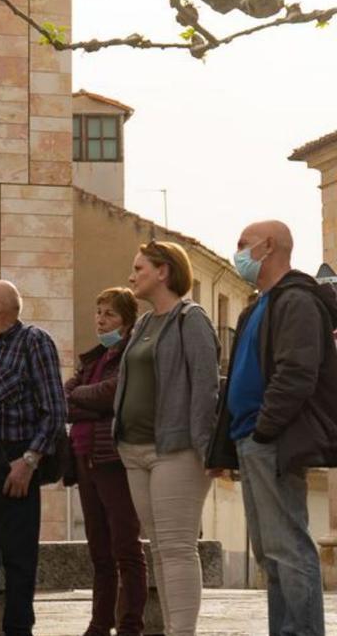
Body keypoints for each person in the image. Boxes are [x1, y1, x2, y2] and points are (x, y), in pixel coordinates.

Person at [208, 221, 334, 636]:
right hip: (251, 439)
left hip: (272, 440)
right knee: (270, 551)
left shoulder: (296, 300)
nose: (238, 253)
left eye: (243, 244)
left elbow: (296, 372)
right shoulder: (257, 306)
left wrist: (264, 430)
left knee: (289, 547)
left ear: (269, 246)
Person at [115, 240, 219, 636]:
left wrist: (205, 447)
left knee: (177, 546)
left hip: (176, 449)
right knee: (158, 545)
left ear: (164, 272)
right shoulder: (142, 323)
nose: (131, 276)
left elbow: (206, 386)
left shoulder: (191, 319)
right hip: (134, 450)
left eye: (139, 268)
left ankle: (182, 632)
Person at [0, 280, 67, 636]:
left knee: (19, 560)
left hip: (14, 462)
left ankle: (18, 629)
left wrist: (29, 460)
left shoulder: (33, 342)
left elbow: (53, 410)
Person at [64, 288, 145, 636]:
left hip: (113, 460)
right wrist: (90, 401)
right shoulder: (91, 359)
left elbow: (114, 395)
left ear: (126, 321)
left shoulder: (130, 355)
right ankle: (100, 623)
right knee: (99, 549)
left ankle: (130, 625)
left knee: (125, 546)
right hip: (85, 459)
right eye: (98, 312)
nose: (101, 319)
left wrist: (84, 398)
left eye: (109, 314)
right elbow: (61, 401)